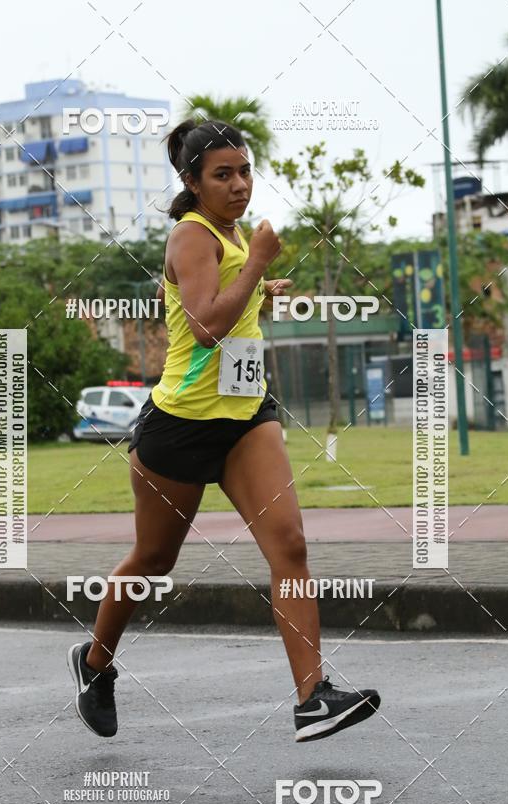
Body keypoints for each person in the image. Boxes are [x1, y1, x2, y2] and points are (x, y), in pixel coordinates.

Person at [67, 119, 380, 743]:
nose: (239, 185)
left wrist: (259, 290)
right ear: (191, 181)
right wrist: (258, 264)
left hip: (245, 417)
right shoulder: (190, 235)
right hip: (180, 426)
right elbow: (206, 326)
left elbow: (228, 311)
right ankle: (95, 662)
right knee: (153, 561)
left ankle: (312, 695)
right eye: (223, 174)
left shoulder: (232, 234)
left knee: (289, 544)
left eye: (244, 171)